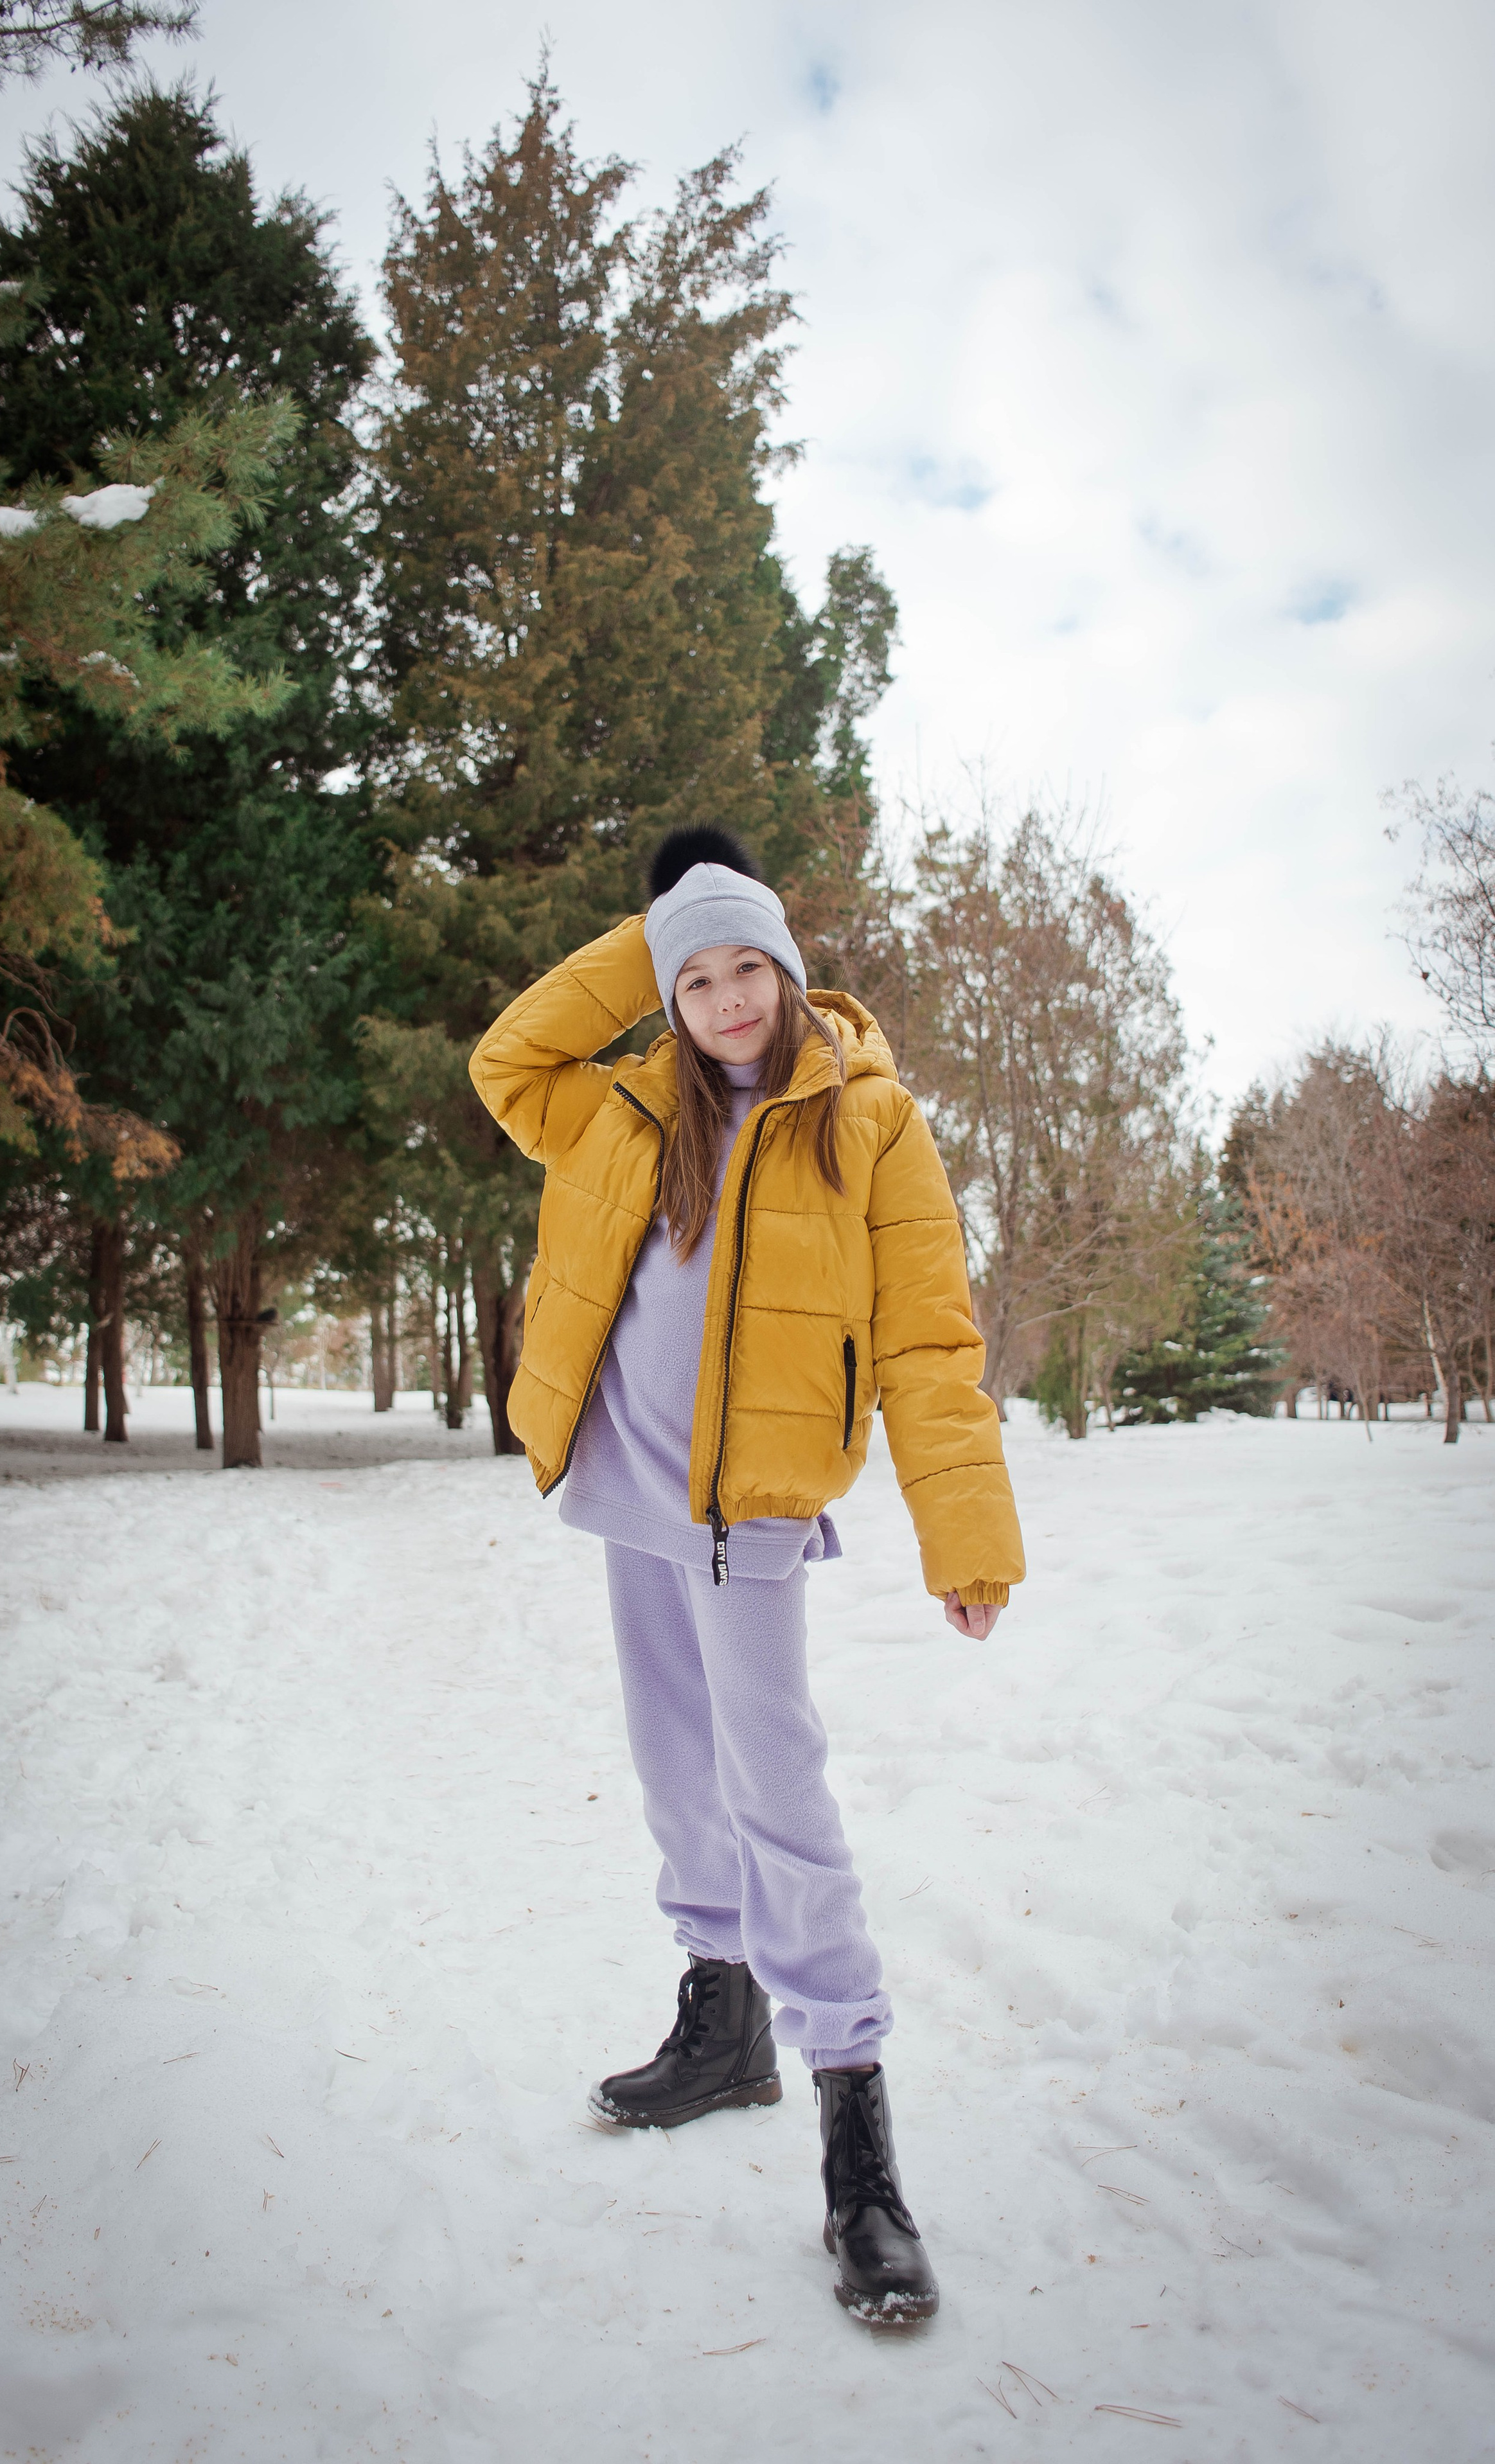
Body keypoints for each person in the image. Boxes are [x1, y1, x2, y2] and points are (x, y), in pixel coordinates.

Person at [469, 824, 1025, 2327]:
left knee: (776, 1790)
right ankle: (723, 2028)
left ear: (788, 972)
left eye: (742, 970)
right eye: (691, 976)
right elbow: (505, 1061)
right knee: (672, 1769)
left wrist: (963, 1535)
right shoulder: (624, 1111)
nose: (719, 1001)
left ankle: (859, 2151)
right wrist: (650, 932)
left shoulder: (868, 1119)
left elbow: (924, 1339)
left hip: (751, 1511)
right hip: (628, 1492)